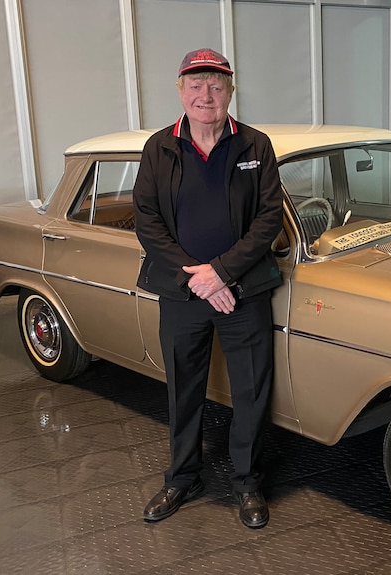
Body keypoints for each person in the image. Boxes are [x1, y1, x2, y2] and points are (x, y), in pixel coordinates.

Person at [133, 48, 283, 529]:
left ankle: (248, 482)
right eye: (195, 85)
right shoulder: (159, 148)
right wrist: (197, 278)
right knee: (184, 388)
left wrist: (222, 273)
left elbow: (267, 220)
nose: (206, 95)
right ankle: (182, 477)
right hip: (183, 293)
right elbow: (147, 222)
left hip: (243, 291)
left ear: (229, 92)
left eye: (216, 86)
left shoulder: (255, 146)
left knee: (253, 390)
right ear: (180, 91)